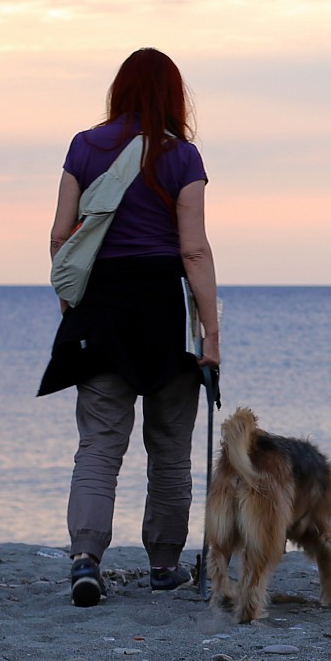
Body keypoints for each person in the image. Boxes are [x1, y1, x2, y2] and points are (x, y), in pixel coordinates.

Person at [37, 48, 221, 607]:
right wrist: (211, 335)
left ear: (118, 90)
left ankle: (85, 559)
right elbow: (193, 250)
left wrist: (71, 302)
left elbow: (60, 235)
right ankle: (164, 566)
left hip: (101, 307)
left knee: (98, 445)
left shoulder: (84, 147)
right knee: (170, 450)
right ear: (174, 95)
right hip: (164, 310)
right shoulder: (181, 156)